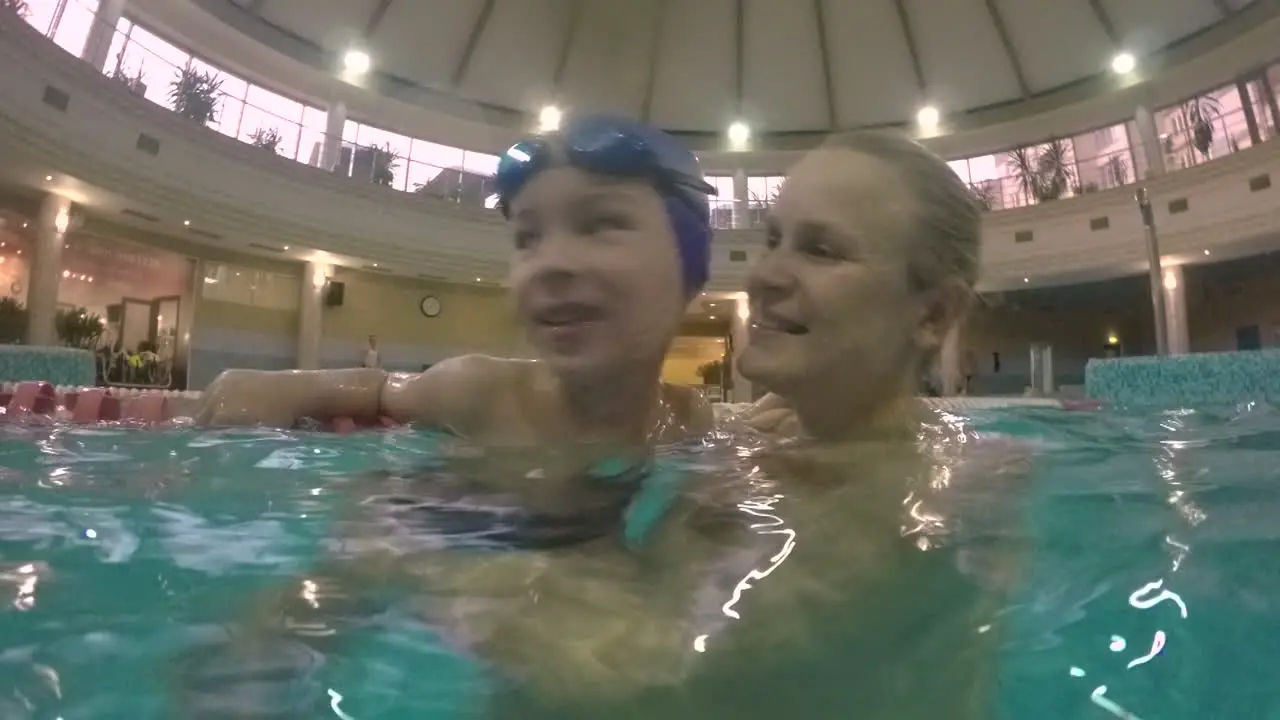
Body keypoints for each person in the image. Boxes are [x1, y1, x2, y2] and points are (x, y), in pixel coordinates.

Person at [426, 131, 1029, 718]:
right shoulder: (794, 438)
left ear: (933, 313)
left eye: (820, 250)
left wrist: (412, 539)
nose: (764, 276)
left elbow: (641, 679)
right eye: (774, 238)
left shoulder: (907, 503)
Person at [195, 114, 717, 455]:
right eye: (528, 237)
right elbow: (383, 388)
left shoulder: (691, 419)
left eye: (600, 223)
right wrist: (287, 385)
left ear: (689, 269)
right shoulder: (480, 395)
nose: (549, 263)